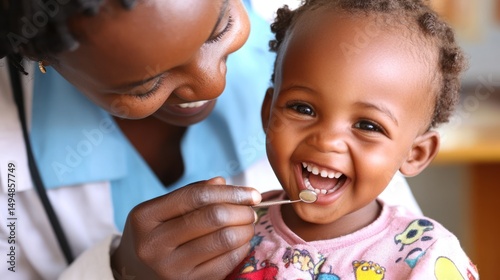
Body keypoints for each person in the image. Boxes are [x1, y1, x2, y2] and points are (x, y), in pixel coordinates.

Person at [0, 0, 419, 279]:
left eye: (220, 30)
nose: (210, 84)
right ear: (44, 61)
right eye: (147, 84)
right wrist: (116, 271)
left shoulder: (328, 37)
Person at [226, 0, 479, 279]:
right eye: (303, 108)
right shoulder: (233, 232)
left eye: (367, 125)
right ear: (268, 113)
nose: (326, 141)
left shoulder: (426, 258)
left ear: (416, 154)